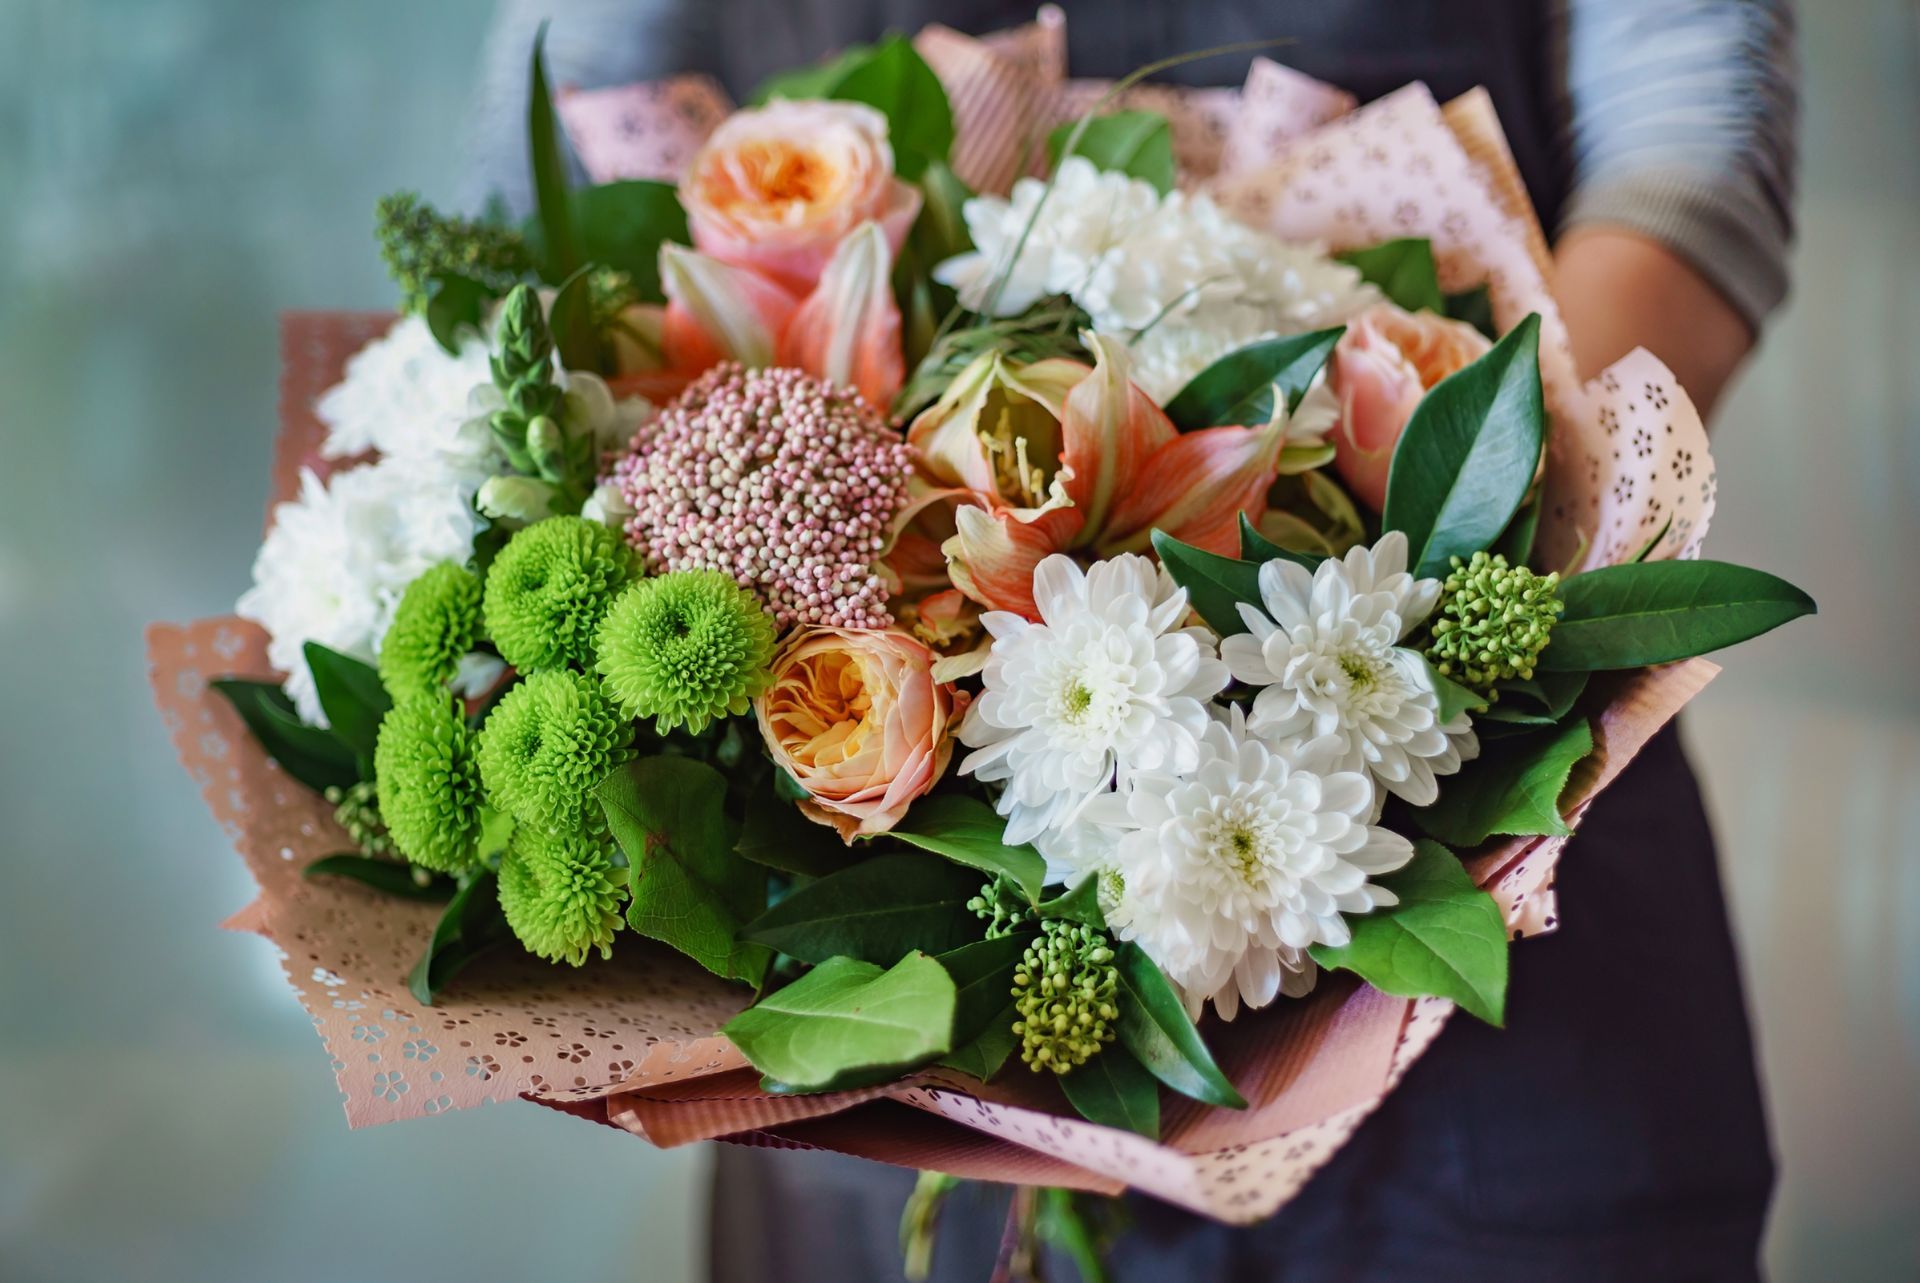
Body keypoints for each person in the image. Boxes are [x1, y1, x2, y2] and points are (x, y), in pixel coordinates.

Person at [470, 3, 1799, 1278]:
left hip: (1480, 829)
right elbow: (558, 147)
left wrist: (1458, 580)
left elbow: (1693, 128)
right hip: (863, 950)